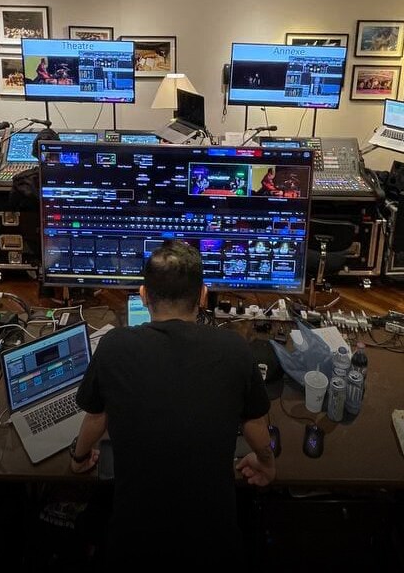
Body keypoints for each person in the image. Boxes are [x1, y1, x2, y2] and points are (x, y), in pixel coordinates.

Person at [71, 241, 275, 564]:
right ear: (203, 296)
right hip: (215, 548)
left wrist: (79, 458)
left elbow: (96, 418)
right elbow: (256, 426)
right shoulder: (235, 349)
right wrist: (266, 463)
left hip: (132, 547)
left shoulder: (113, 346)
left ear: (143, 295)